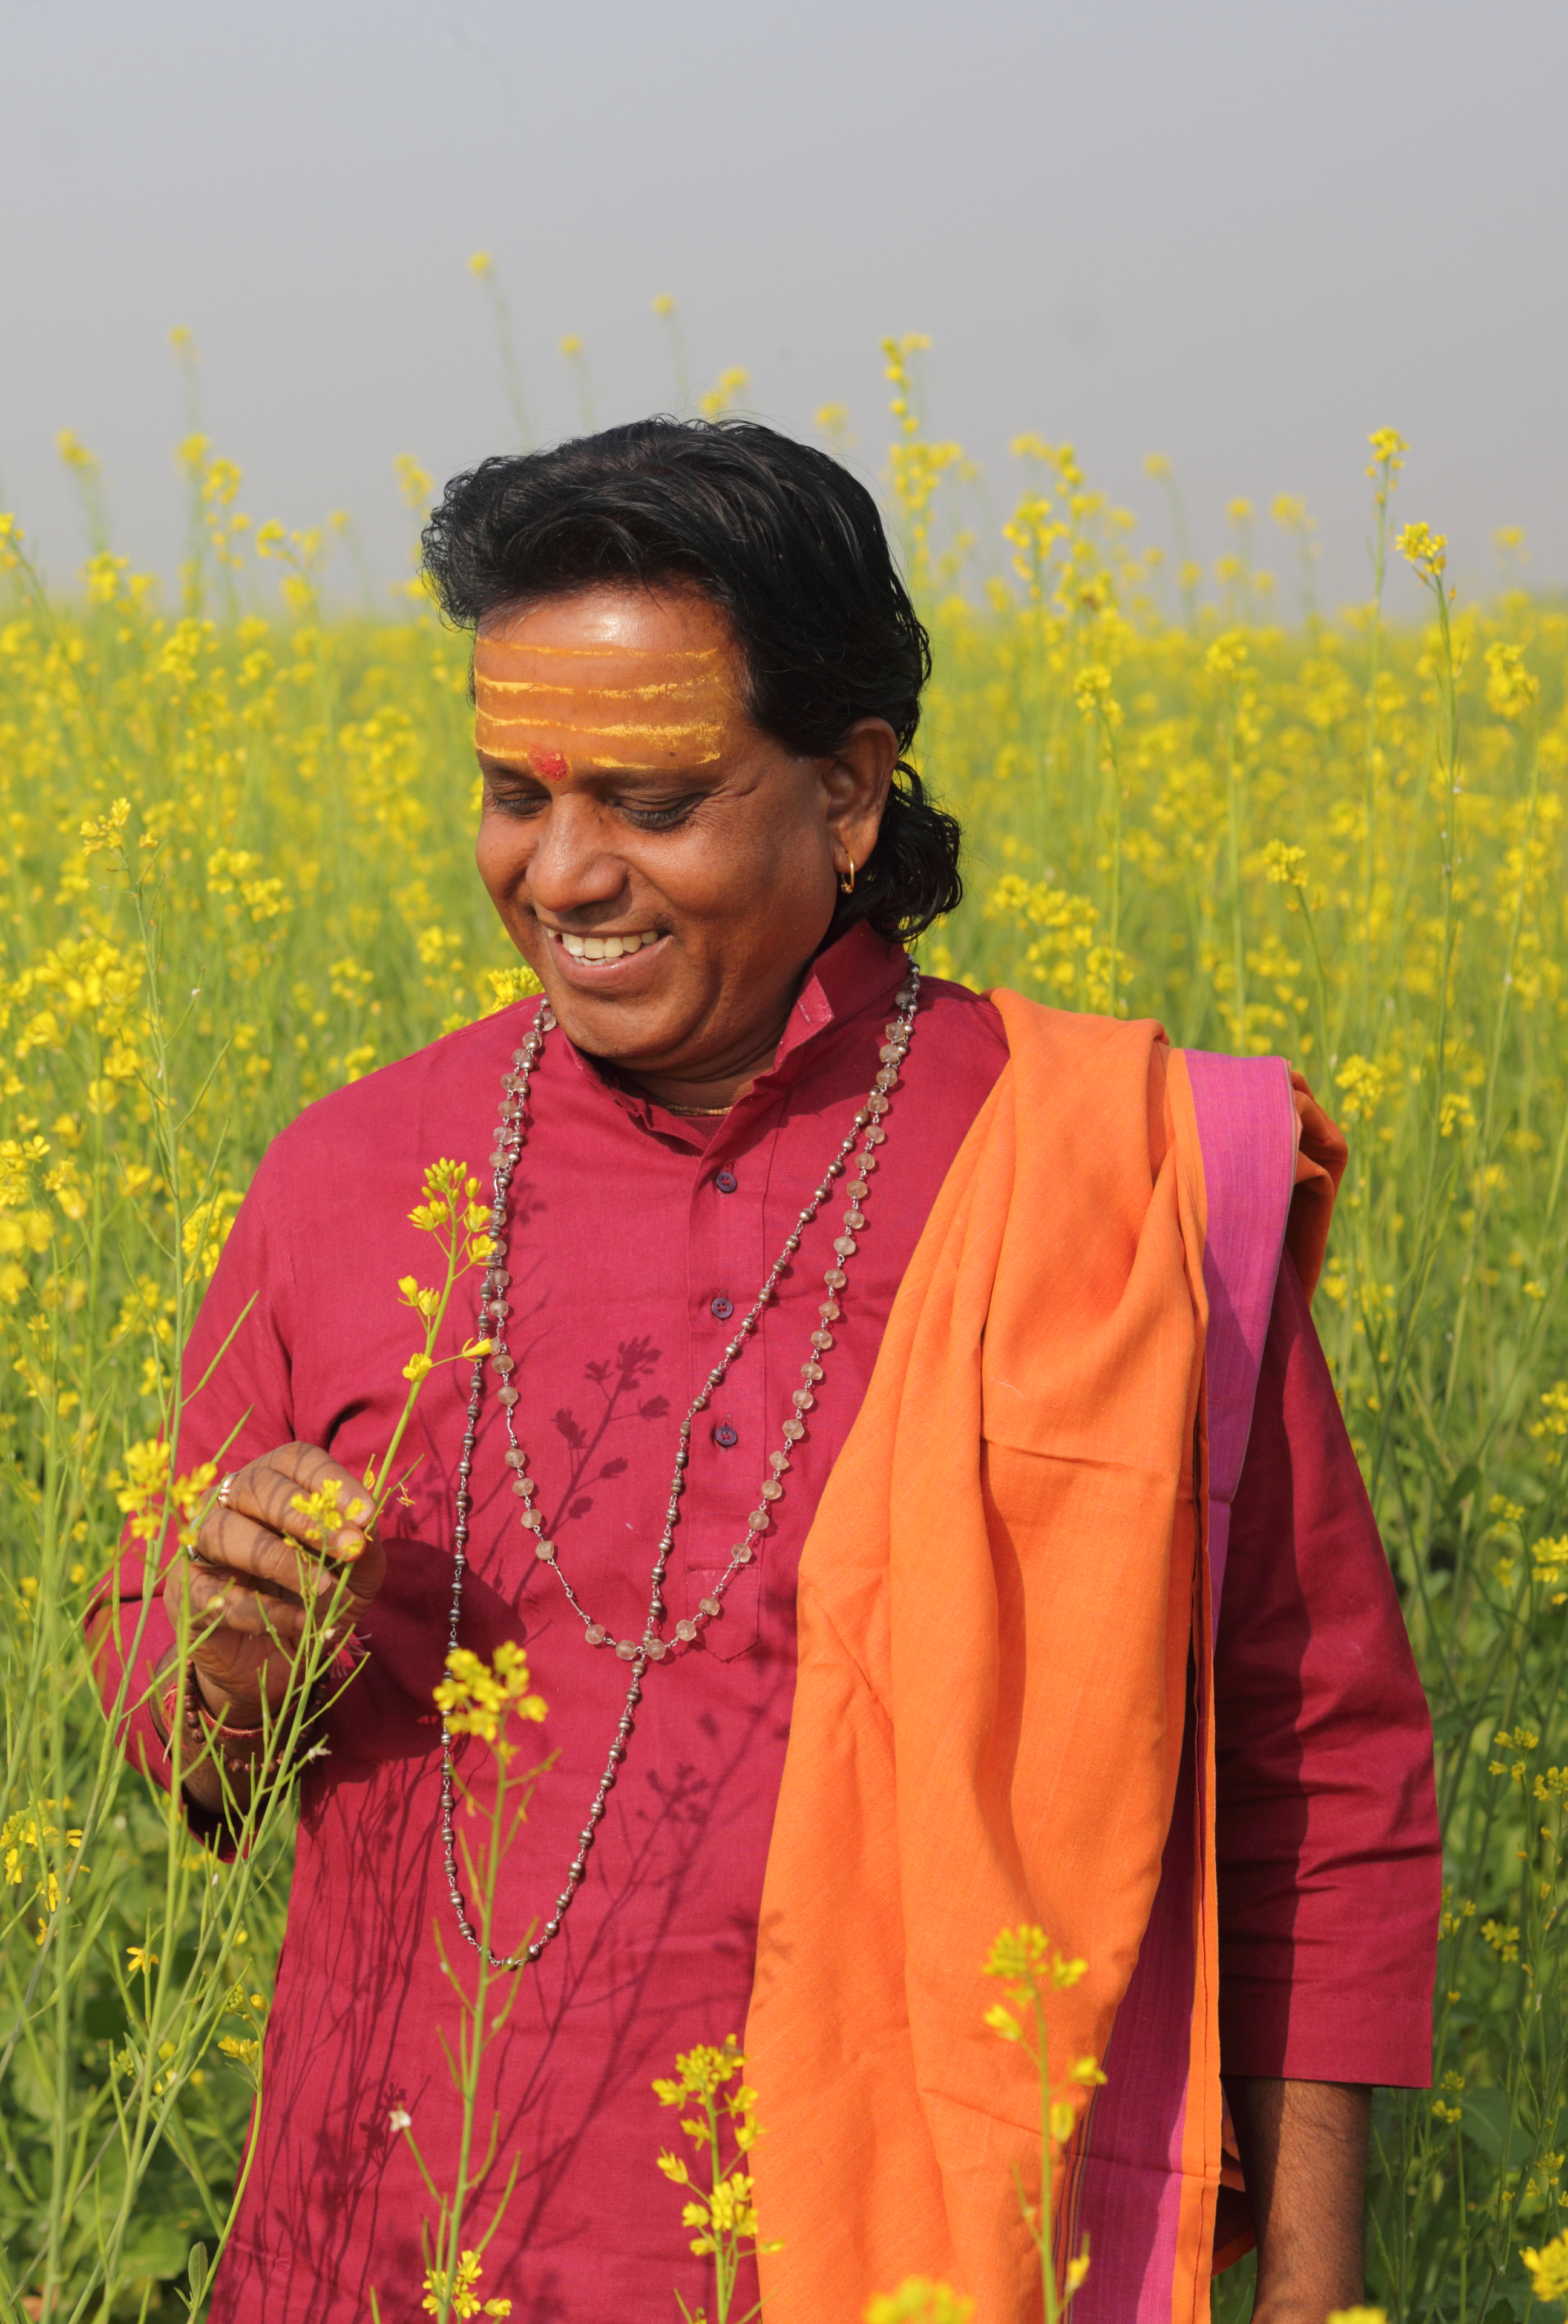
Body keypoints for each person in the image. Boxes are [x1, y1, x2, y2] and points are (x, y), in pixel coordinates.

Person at [85, 418, 1437, 2324]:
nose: (561, 872)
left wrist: (1304, 2294)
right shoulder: (351, 1175)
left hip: (922, 2259)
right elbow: (175, 1720)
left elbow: (1318, 1769)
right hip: (384, 2250)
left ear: (854, 793)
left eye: (651, 800)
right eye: (510, 793)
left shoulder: (1105, 1178)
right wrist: (225, 1639)